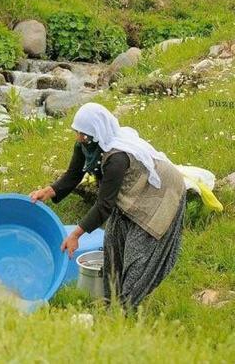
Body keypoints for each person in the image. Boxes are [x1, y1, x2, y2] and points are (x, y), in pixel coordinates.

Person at [29, 102, 187, 310]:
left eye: (83, 134)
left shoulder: (117, 157)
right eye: (77, 132)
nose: (78, 137)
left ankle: (125, 311)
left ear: (96, 134)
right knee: (112, 244)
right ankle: (111, 302)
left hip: (158, 197)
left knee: (138, 258)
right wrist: (46, 192)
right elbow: (73, 175)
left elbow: (104, 205)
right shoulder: (87, 145)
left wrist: (75, 235)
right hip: (131, 194)